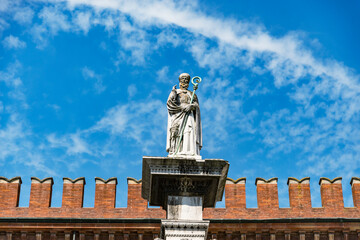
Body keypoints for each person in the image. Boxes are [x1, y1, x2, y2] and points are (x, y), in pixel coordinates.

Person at [166, 73, 202, 157]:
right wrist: (173, 94)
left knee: (188, 131)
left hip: (189, 115)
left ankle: (188, 150)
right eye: (183, 79)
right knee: (175, 132)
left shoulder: (192, 94)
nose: (184, 80)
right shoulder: (176, 92)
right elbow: (170, 104)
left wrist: (192, 106)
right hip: (177, 115)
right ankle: (175, 150)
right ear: (180, 81)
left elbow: (197, 106)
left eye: (186, 79)